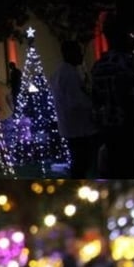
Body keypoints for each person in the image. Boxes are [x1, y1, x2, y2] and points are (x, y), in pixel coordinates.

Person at [90, 13, 134, 177]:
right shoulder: (129, 63)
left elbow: (95, 100)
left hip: (107, 128)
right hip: (129, 127)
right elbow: (129, 98)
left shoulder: (98, 66)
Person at [50, 40, 99, 178]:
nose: (81, 55)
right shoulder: (69, 74)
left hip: (70, 126)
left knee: (80, 161)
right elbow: (77, 102)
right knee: (82, 162)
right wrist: (93, 103)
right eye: (79, 52)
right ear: (70, 54)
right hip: (78, 127)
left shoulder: (60, 72)